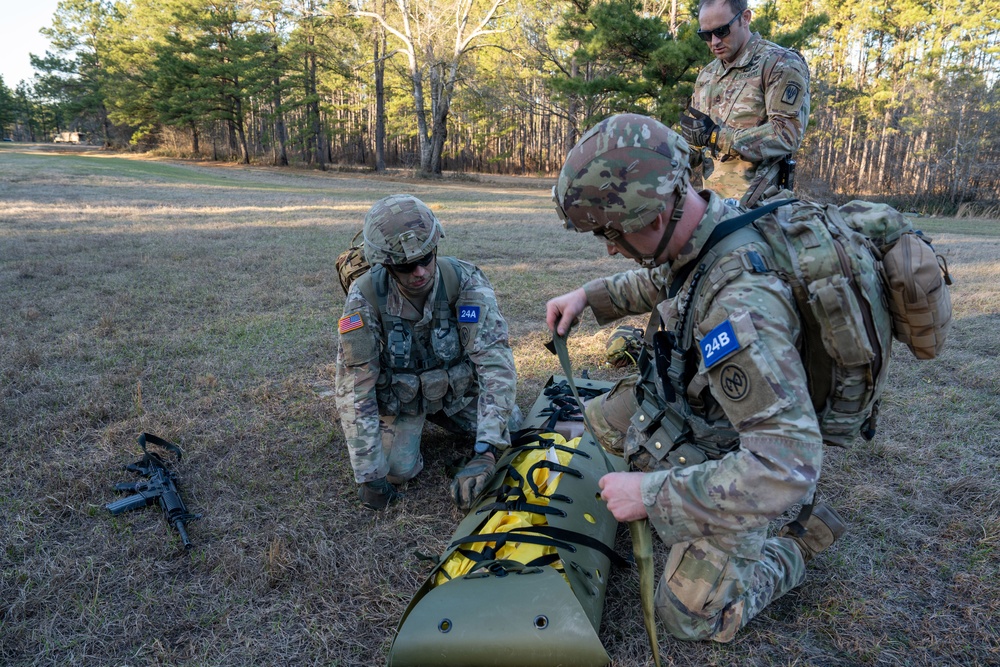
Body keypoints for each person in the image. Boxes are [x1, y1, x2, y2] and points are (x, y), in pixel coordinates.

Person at [546, 113, 865, 642]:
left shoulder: (739, 307)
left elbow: (786, 464)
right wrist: (588, 296)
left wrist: (651, 494)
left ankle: (801, 535)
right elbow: (663, 273)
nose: (608, 247)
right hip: (701, 415)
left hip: (748, 457)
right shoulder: (708, 221)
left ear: (652, 216)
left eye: (611, 234)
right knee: (599, 427)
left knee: (692, 616)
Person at [335, 194, 519, 512]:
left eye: (427, 258)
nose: (419, 272)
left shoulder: (465, 283)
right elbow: (355, 386)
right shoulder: (364, 298)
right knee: (395, 471)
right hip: (403, 399)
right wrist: (368, 473)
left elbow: (495, 362)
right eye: (406, 266)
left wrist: (487, 449)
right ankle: (407, 435)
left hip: (457, 390)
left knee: (511, 429)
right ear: (386, 264)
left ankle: (459, 427)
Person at [679, 0, 810, 207]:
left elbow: (788, 134)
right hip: (712, 207)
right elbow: (696, 144)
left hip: (759, 209)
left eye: (722, 31)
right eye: (705, 35)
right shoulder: (707, 75)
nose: (714, 42)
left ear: (745, 18)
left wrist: (716, 136)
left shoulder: (779, 63)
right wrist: (662, 157)